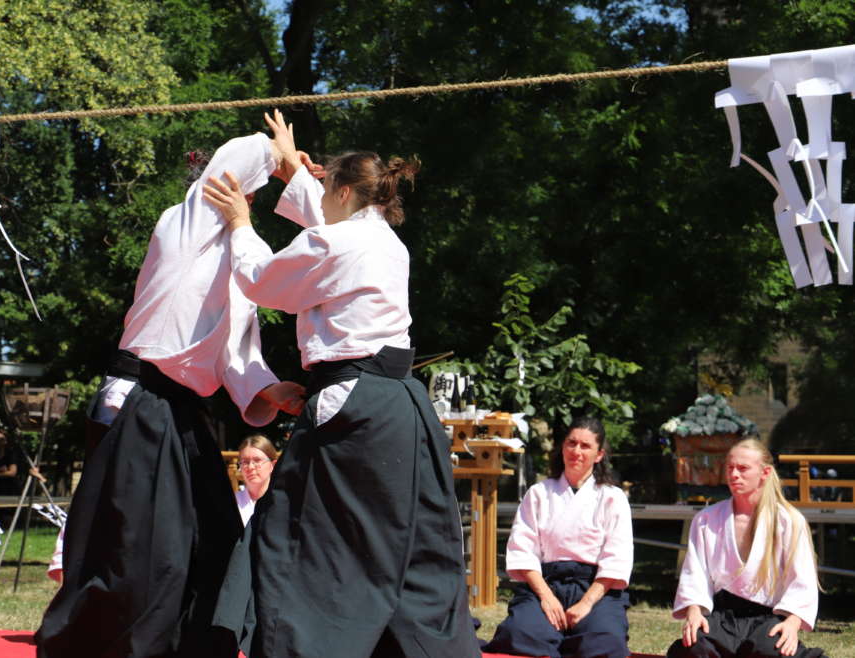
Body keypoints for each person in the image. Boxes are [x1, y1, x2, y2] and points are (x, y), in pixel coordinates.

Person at [203, 110, 480, 657]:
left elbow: (265, 282)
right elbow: (329, 225)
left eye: (327, 187)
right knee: (409, 541)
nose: (320, 199)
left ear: (348, 191)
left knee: (304, 535)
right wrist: (290, 170)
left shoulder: (340, 244)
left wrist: (239, 223)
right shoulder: (383, 240)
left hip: (353, 405)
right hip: (401, 406)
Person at [34, 130, 306, 658]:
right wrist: (280, 158)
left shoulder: (245, 252)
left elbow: (235, 354)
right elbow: (230, 164)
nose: (250, 197)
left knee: (217, 536)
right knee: (143, 554)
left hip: (179, 410)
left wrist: (273, 391)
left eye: (254, 193)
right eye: (247, 188)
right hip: (139, 400)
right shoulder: (182, 229)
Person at [482, 416, 633, 658]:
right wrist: (546, 598)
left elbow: (617, 559)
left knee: (605, 642)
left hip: (594, 587)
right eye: (571, 443)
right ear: (562, 448)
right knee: (520, 635)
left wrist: (585, 604)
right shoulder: (539, 493)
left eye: (585, 446)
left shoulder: (612, 498)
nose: (576, 451)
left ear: (599, 455)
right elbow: (523, 551)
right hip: (546, 583)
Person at [667, 439, 825, 658]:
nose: (734, 475)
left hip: (768, 616)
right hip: (723, 616)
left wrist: (792, 622)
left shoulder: (788, 520)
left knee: (770, 651)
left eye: (743, 469)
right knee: (694, 647)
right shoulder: (706, 519)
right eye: (730, 468)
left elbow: (802, 579)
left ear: (765, 472)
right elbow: (695, 573)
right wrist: (694, 611)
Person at [234, 434, 278, 526]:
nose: (250, 467)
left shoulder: (283, 502)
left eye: (257, 460)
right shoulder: (233, 502)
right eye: (245, 462)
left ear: (273, 465)